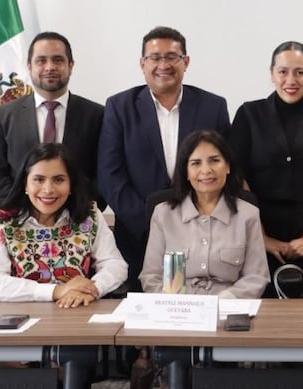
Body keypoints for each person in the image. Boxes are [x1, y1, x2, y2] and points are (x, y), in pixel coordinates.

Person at [98, 26, 230, 281]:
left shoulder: (213, 106)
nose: (163, 65)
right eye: (155, 57)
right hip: (140, 237)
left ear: (186, 62)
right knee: (146, 314)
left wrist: (195, 222)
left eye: (172, 57)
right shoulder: (119, 107)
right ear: (142, 63)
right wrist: (154, 225)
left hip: (203, 235)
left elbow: (223, 169)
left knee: (203, 309)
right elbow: (109, 175)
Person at [229, 41, 303, 295]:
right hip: (259, 233)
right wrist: (263, 239)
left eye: (300, 72)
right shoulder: (249, 115)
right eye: (283, 71)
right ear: (272, 73)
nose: (290, 80)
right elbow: (238, 179)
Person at [0, 142, 127, 307]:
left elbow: (115, 264)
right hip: (21, 317)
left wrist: (92, 289)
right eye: (38, 180)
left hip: (77, 313)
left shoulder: (89, 215)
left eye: (59, 180)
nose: (48, 189)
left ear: (71, 185)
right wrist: (57, 291)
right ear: (25, 184)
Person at [140, 130, 268, 298]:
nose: (206, 170)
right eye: (196, 163)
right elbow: (151, 277)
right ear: (185, 171)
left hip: (229, 309)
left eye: (214, 161)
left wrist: (220, 303)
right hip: (177, 313)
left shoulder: (248, 215)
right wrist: (178, 307)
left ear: (228, 166)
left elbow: (256, 277)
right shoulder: (163, 214)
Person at [0, 31, 105, 207]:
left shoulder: (97, 116)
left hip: (78, 219)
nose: (50, 67)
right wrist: (29, 211)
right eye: (41, 61)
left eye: (58, 60)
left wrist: (76, 209)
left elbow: (104, 174)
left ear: (71, 65)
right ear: (29, 66)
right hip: (19, 220)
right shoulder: (3, 116)